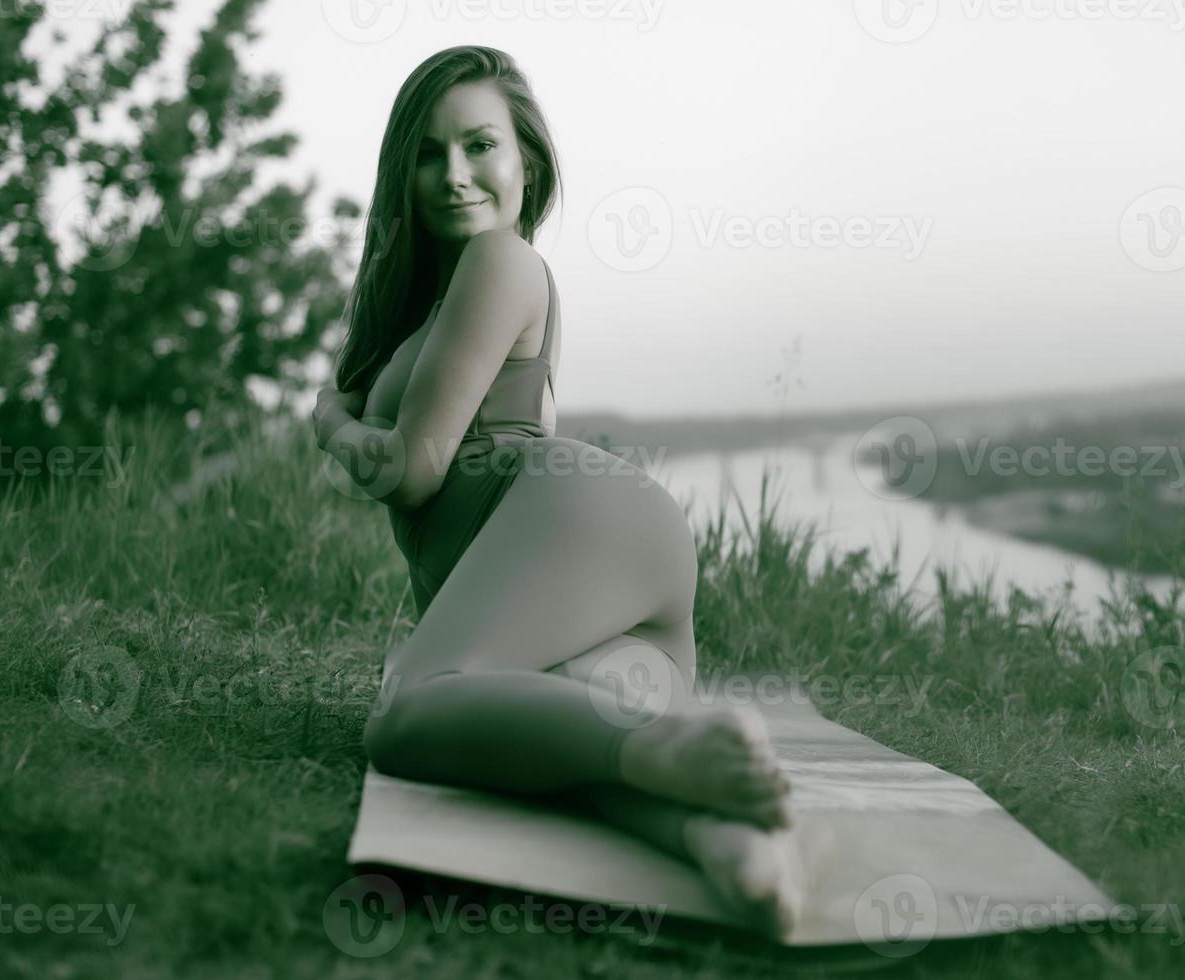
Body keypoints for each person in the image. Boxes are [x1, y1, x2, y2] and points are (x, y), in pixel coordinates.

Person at [312, 46, 812, 938]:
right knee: (559, 751)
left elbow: (412, 468)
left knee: (407, 719)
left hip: (568, 513)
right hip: (585, 577)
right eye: (427, 154)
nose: (454, 174)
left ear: (526, 162)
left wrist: (332, 422)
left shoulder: (499, 260)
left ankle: (670, 747)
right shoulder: (436, 302)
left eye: (478, 145)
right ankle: (725, 841)